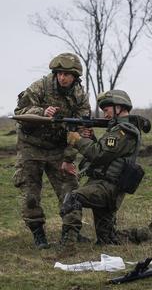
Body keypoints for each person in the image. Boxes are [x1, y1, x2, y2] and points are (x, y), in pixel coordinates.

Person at [59, 89, 152, 246]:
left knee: (73, 198)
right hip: (104, 186)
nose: (105, 115)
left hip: (106, 188)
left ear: (119, 107)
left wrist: (78, 140)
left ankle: (67, 244)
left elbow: (98, 153)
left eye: (106, 110)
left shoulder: (123, 132)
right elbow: (106, 154)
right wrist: (90, 138)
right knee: (108, 240)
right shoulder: (116, 130)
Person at [13, 53, 91, 249]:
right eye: (59, 73)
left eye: (67, 74)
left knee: (70, 190)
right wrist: (41, 112)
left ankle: (71, 232)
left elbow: (79, 130)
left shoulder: (80, 96)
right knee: (30, 194)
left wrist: (69, 158)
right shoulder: (40, 87)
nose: (63, 78)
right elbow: (19, 114)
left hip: (58, 148)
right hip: (31, 147)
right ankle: (38, 233)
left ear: (75, 77)